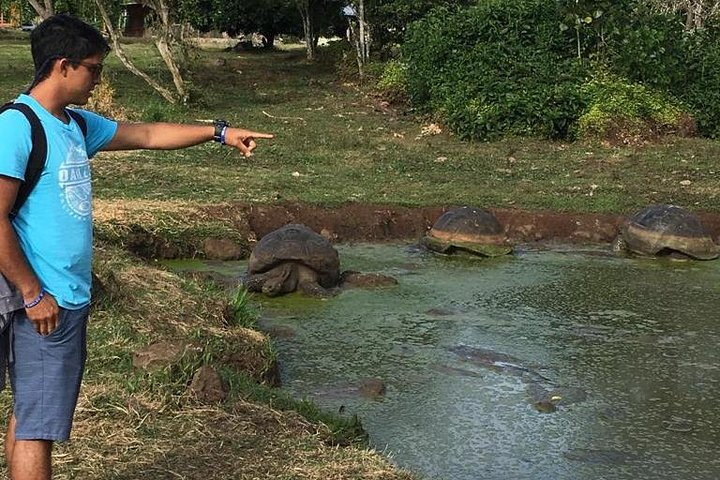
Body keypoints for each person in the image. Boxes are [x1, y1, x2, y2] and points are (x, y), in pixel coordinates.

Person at [0, 13, 273, 480]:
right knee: (38, 426)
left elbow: (147, 135)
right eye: (93, 69)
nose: (97, 78)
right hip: (37, 297)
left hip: (57, 295)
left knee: (32, 411)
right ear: (62, 65)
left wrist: (219, 132)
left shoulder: (76, 125)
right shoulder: (17, 126)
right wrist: (33, 292)